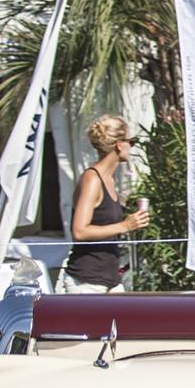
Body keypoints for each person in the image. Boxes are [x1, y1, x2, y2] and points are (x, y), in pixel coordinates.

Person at [62, 115, 151, 293]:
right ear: (119, 144)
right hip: (86, 281)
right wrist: (125, 225)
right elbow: (80, 231)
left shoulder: (109, 179)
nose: (131, 146)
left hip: (110, 280)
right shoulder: (92, 179)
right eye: (131, 141)